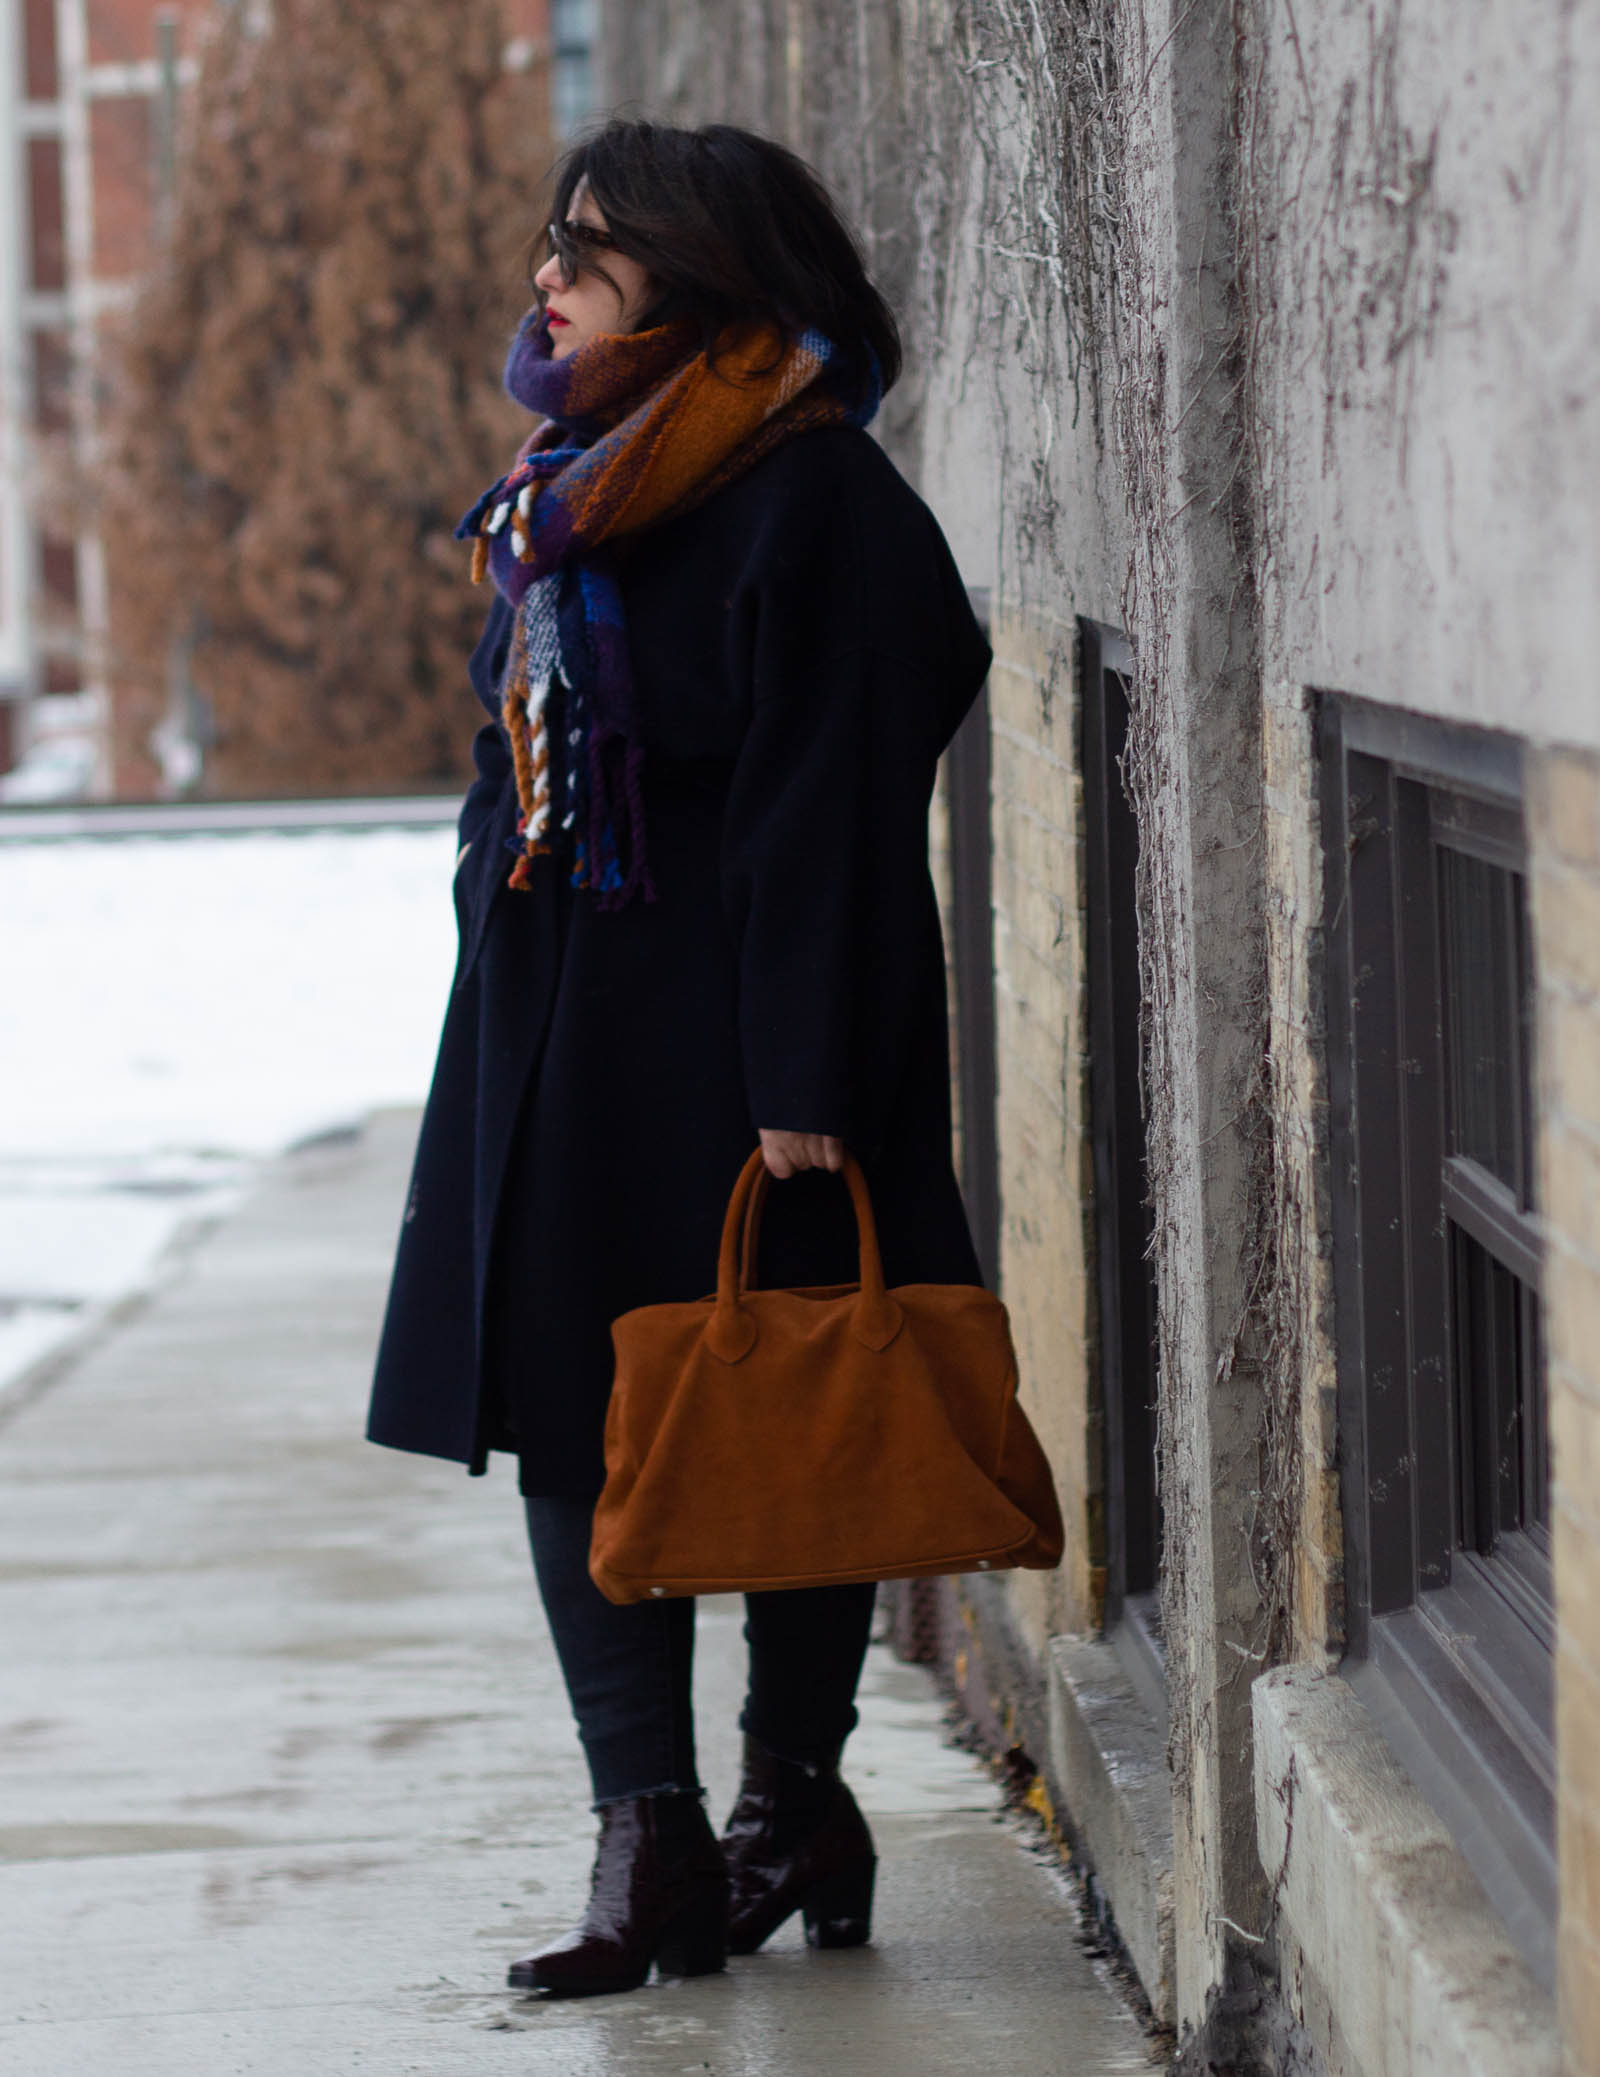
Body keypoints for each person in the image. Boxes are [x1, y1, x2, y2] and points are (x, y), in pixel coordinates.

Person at [366, 117, 990, 1999]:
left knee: (789, 1398)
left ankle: (788, 1801)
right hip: (570, 1008)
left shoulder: (818, 496)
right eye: (558, 236)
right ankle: (639, 1832)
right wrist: (496, 886)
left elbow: (841, 801)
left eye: (594, 242)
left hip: (753, 1035)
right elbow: (519, 729)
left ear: (703, 273)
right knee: (581, 1409)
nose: (551, 268)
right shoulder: (572, 480)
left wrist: (806, 1060)